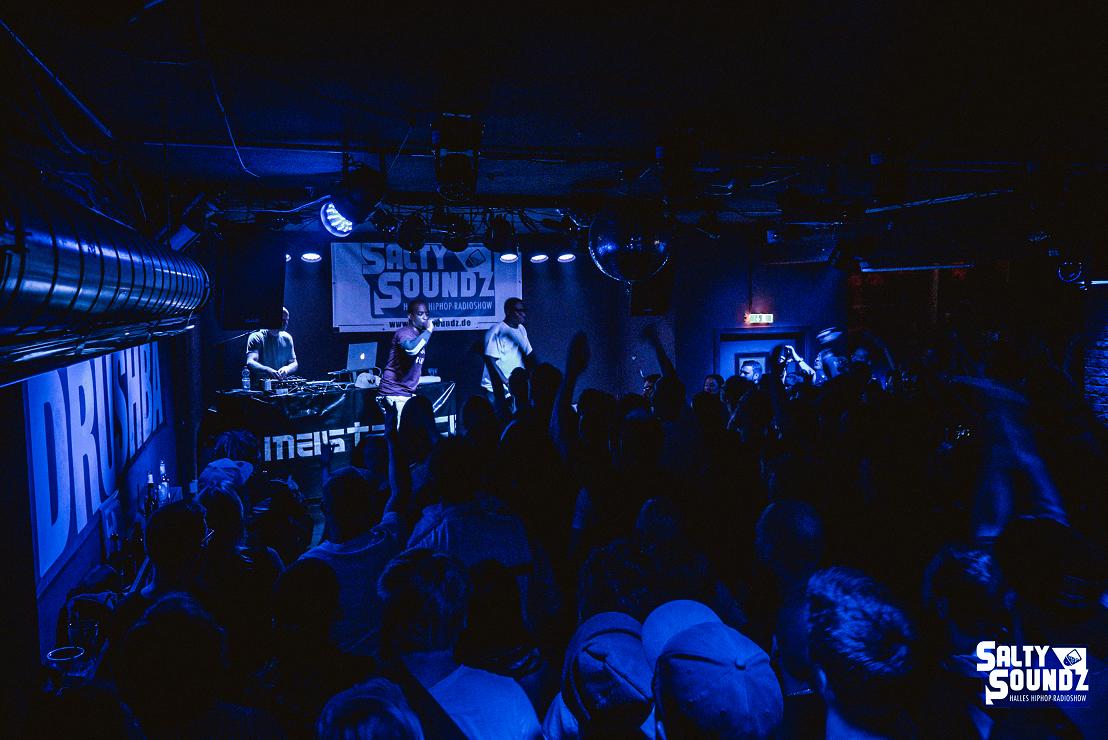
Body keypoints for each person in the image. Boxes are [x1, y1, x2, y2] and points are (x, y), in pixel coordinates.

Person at [380, 300, 435, 421]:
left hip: (404, 393)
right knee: (402, 431)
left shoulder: (419, 336)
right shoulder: (404, 332)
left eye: (427, 314)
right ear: (410, 316)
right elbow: (411, 350)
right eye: (420, 314)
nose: (425, 317)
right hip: (394, 393)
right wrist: (429, 330)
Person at [482, 298, 534, 406]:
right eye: (519, 311)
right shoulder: (496, 331)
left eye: (524, 311)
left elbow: (527, 353)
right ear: (508, 312)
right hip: (495, 389)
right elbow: (491, 361)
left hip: (513, 389)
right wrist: (506, 382)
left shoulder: (522, 329)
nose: (523, 314)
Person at [245, 306, 298, 382]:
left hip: (280, 384)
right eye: (282, 320)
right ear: (273, 319)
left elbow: (294, 363)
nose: (285, 323)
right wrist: (267, 370)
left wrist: (287, 369)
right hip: (260, 385)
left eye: (287, 320)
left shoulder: (287, 338)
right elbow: (250, 362)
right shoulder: (257, 337)